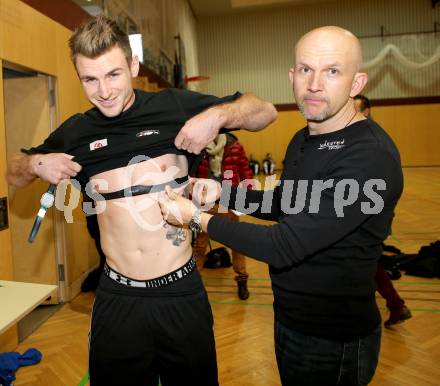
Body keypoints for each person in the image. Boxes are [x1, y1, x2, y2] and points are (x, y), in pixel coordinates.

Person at [6, 16, 277, 386]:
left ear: (133, 65)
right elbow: (14, 173)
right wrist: (38, 162)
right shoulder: (77, 131)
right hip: (117, 297)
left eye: (114, 75)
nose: (103, 90)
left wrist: (215, 116)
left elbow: (265, 111)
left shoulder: (175, 106)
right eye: (90, 79)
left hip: (179, 293)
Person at [159, 26, 403, 385]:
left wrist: (197, 219)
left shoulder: (369, 157)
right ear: (292, 77)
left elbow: (284, 245)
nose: (315, 84)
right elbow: (285, 202)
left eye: (332, 71)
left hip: (334, 339)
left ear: (357, 83)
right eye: (306, 69)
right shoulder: (303, 138)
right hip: (291, 319)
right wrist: (221, 193)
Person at [354, 94, 412, 327]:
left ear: (367, 110)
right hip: (365, 214)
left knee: (365, 264)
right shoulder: (360, 136)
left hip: (371, 216)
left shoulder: (374, 140)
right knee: (371, 264)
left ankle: (391, 307)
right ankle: (396, 305)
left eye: (356, 109)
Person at [192, 133, 253, 300]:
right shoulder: (199, 145)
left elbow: (245, 171)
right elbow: (193, 173)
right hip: (205, 201)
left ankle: (242, 280)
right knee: (200, 244)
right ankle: (194, 283)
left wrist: (248, 196)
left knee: (237, 243)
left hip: (229, 199)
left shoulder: (235, 146)